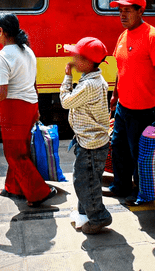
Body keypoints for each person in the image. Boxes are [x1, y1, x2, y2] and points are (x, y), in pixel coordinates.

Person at [0, 12, 56, 207]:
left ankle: (40, 192)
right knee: (20, 150)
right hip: (29, 106)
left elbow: (0, 94)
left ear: (2, 31)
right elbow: (33, 82)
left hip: (14, 109)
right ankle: (13, 187)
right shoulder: (27, 51)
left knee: (14, 154)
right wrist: (37, 108)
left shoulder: (3, 56)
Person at [105, 0, 155, 206]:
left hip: (144, 109)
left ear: (141, 10)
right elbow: (120, 68)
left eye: (127, 10)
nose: (122, 15)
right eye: (120, 11)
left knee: (140, 154)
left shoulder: (154, 37)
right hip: (124, 106)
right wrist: (115, 94)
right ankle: (120, 185)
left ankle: (142, 192)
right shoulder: (123, 35)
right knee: (119, 147)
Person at [60, 37, 112, 234]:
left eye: (77, 56)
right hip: (90, 141)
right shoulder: (93, 79)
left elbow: (66, 102)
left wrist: (67, 77)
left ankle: (99, 217)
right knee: (89, 180)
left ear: (89, 62)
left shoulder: (89, 85)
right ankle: (84, 213)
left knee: (83, 181)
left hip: (91, 145)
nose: (73, 59)